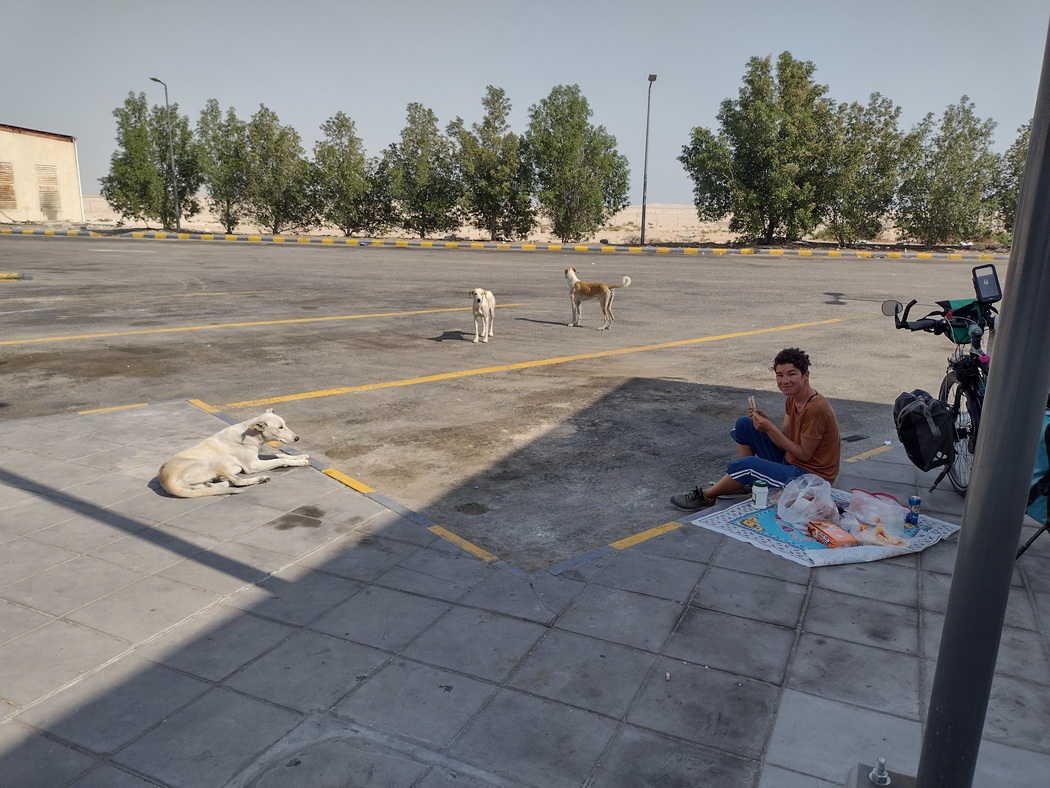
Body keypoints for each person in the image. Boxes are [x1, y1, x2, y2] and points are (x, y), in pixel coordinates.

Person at [671, 347, 840, 511]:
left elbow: (804, 454)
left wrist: (770, 429)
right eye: (779, 375)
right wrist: (766, 425)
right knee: (744, 424)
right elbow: (785, 441)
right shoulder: (792, 399)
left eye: (792, 374)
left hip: (810, 478)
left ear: (806, 376)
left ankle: (707, 496)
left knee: (749, 465)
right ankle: (745, 482)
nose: (785, 381)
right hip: (792, 461)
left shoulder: (816, 409)